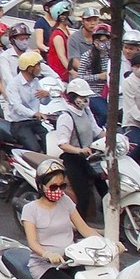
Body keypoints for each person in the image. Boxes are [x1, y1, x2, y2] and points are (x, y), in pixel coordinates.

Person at [20, 158, 103, 279]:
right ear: (41, 186)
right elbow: (32, 243)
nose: (58, 191)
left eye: (62, 186)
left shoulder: (65, 201)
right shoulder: (30, 210)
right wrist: (47, 253)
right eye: (53, 187)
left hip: (70, 260)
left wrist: (106, 243)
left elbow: (84, 228)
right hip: (44, 266)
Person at [49, 78, 103, 221]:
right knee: (83, 195)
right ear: (73, 97)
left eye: (86, 97)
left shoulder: (86, 111)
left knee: (104, 188)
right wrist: (79, 150)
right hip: (73, 159)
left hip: (90, 157)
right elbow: (63, 144)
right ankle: (78, 227)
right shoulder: (66, 117)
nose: (85, 100)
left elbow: (96, 130)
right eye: (82, 97)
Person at [3, 50, 50, 153]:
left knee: (50, 144)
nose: (39, 68)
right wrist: (34, 113)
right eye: (37, 65)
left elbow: (43, 101)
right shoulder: (13, 84)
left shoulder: (35, 82)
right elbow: (17, 106)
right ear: (29, 68)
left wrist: (47, 96)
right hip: (19, 124)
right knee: (35, 150)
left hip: (34, 122)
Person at [71, 21, 112, 125]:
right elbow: (79, 78)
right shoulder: (87, 56)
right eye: (100, 40)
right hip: (92, 93)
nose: (103, 43)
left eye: (106, 41)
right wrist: (98, 76)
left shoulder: (111, 56)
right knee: (104, 112)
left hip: (109, 93)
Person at [120, 51, 140, 150]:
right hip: (133, 122)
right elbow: (132, 109)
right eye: (137, 66)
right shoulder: (128, 83)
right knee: (139, 147)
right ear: (132, 67)